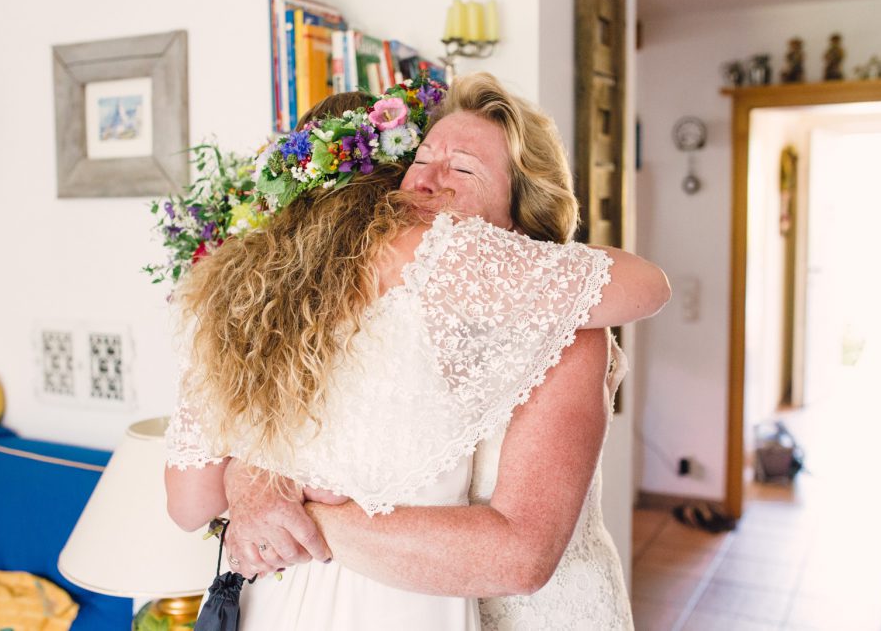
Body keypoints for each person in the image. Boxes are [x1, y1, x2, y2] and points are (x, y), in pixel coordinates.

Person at [165, 73, 668, 629]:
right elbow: (209, 485)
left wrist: (294, 514)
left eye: (463, 169)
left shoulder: (569, 326)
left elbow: (521, 555)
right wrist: (254, 477)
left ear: (519, 220)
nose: (424, 182)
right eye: (419, 158)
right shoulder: (361, 303)